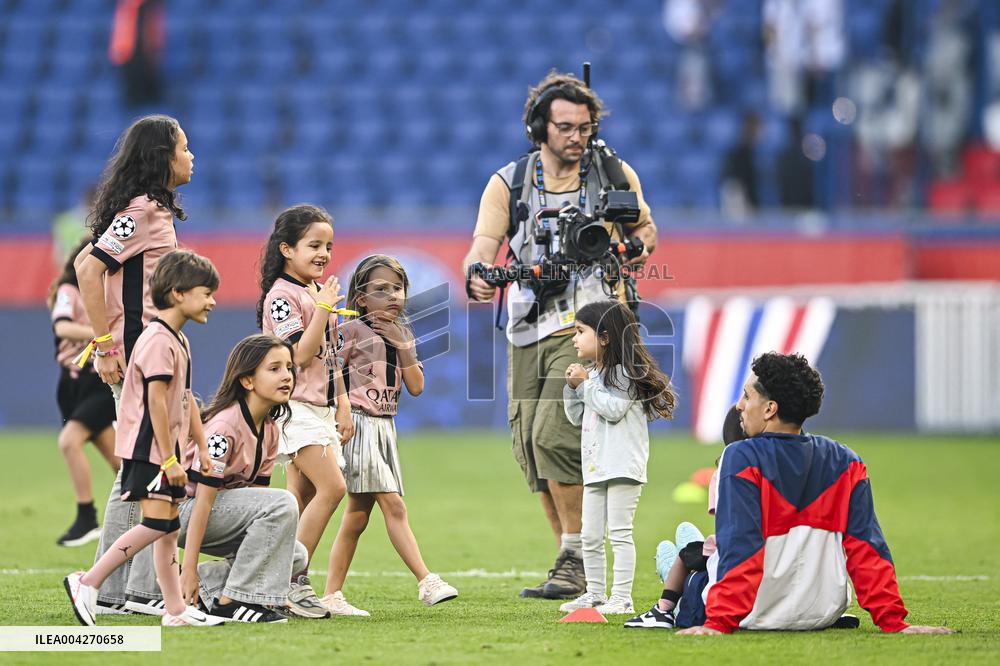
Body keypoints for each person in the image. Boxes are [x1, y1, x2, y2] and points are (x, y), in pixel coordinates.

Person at [463, 71, 659, 600]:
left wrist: (632, 249)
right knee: (531, 444)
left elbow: (646, 229)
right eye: (565, 126)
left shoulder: (614, 172)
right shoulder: (510, 180)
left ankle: (578, 560)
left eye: (584, 126)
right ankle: (569, 559)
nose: (577, 136)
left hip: (592, 319)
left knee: (555, 435)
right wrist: (478, 273)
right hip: (528, 320)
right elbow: (484, 242)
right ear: (539, 127)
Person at [675, 352, 953, 635]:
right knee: (696, 553)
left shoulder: (739, 456)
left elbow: (741, 543)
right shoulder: (847, 460)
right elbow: (866, 547)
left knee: (690, 571)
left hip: (751, 615)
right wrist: (894, 622)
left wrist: (719, 623)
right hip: (821, 613)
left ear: (770, 408)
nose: (739, 405)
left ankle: (674, 562)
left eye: (747, 396)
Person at [73, 114, 193, 615]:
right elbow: (88, 266)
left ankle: (122, 591)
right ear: (162, 156)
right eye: (185, 147)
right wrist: (104, 344)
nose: (192, 156)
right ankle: (103, 586)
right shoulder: (142, 211)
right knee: (140, 473)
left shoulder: (155, 212)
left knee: (137, 472)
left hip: (156, 355)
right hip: (142, 359)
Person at [63, 250, 222, 627]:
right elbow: (155, 403)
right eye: (206, 293)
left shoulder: (179, 340)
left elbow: (184, 399)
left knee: (169, 527)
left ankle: (176, 611)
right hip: (149, 451)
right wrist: (168, 460)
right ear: (178, 293)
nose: (213, 302)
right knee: (156, 523)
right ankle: (87, 581)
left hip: (167, 452)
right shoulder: (156, 341)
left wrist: (199, 446)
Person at [124, 335, 328, 623]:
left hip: (218, 515)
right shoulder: (224, 427)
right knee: (283, 502)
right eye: (274, 369)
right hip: (180, 514)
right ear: (247, 381)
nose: (287, 376)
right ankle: (233, 600)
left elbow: (257, 502)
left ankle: (193, 588)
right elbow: (203, 503)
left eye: (289, 368)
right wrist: (192, 565)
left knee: (294, 555)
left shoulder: (269, 430)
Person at [324, 255, 458, 614]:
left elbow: (415, 386)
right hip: (360, 423)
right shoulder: (351, 330)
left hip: (385, 427)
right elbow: (332, 369)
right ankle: (426, 580)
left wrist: (402, 345)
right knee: (394, 505)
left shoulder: (403, 333)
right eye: (381, 290)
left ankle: (331, 594)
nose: (392, 296)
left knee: (357, 516)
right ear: (362, 298)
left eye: (397, 289)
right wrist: (342, 410)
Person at [258, 204, 353, 611]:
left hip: (322, 407)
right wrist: (325, 308)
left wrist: (343, 403)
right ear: (286, 249)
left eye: (328, 246)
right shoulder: (282, 297)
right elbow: (298, 355)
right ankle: (293, 581)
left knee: (298, 499)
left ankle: (269, 582)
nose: (323, 254)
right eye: (314, 244)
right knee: (333, 489)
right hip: (295, 407)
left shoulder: (313, 292)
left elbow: (330, 356)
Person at [557, 300, 675, 616]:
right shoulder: (594, 374)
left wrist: (584, 386)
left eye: (581, 332)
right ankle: (594, 593)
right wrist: (572, 389)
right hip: (596, 466)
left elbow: (612, 410)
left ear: (605, 337)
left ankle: (622, 597)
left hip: (623, 466)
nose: (574, 339)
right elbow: (577, 417)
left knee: (619, 534)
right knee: (590, 535)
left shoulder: (624, 374)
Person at [625, 405, 744, 629]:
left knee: (682, 552)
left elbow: (728, 531)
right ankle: (677, 579)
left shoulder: (726, 473)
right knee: (687, 535)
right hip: (762, 569)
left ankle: (665, 607)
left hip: (723, 584)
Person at [49, 239, 119, 547]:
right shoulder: (70, 290)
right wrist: (102, 335)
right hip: (75, 381)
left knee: (69, 441)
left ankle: (86, 516)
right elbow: (63, 327)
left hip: (94, 382)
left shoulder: (104, 293)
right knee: (122, 462)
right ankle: (163, 502)